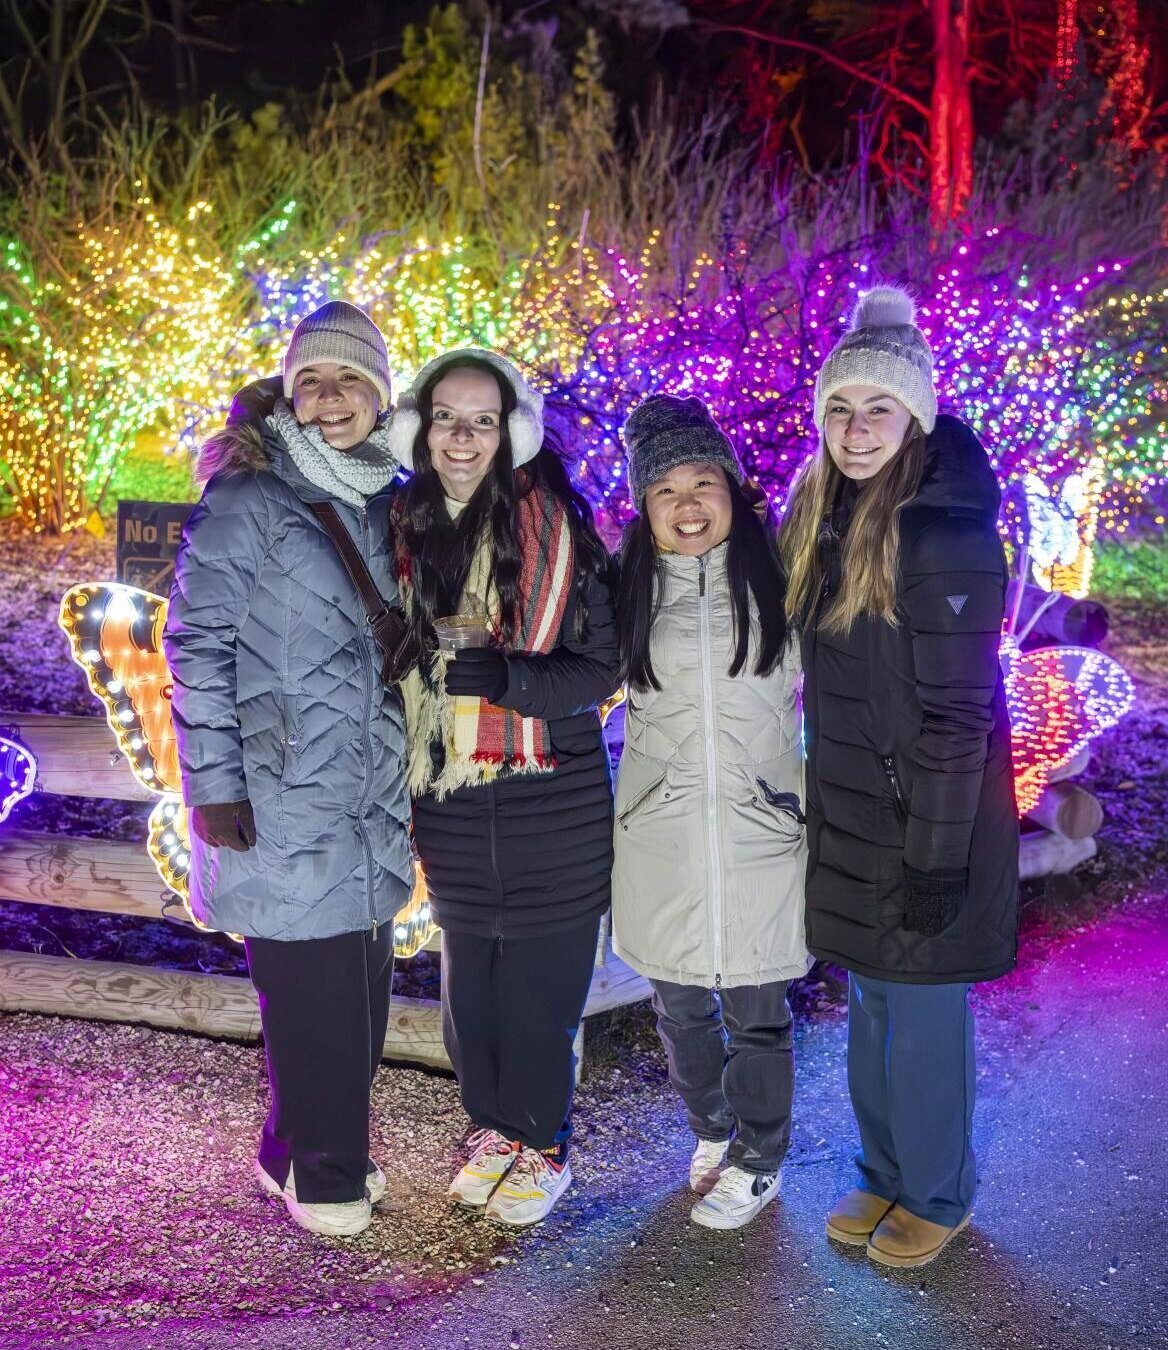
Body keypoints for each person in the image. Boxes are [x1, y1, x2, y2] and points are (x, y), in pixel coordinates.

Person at [780, 286, 1019, 1268]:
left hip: (928, 821)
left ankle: (937, 1190)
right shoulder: (829, 522)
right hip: (853, 816)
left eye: (877, 408)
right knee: (872, 1005)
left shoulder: (943, 530)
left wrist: (934, 856)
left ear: (914, 416)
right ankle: (884, 1173)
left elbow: (962, 718)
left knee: (921, 1013)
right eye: (838, 408)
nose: (855, 428)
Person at [164, 301, 412, 1239]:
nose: (330, 397)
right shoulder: (251, 500)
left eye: (351, 379)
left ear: (381, 394)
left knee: (362, 984)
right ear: (288, 394)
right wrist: (213, 783)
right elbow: (197, 643)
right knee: (313, 992)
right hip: (276, 789)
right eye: (312, 380)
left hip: (365, 791)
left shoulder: (387, 494)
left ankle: (290, 1148)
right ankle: (327, 1173)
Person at [385, 348, 618, 1227]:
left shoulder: (558, 528)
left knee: (539, 995)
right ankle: (490, 1129)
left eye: (484, 420)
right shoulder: (399, 530)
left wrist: (505, 679)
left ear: (510, 430)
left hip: (549, 796)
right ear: (420, 425)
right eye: (449, 416)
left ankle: (542, 1143)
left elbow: (600, 667)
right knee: (470, 989)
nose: (463, 436)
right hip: (445, 799)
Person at [610, 395, 810, 1230]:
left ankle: (759, 1158)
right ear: (643, 509)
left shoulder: (782, 578)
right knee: (681, 1002)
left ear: (733, 489)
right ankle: (710, 1126)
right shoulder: (622, 591)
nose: (688, 506)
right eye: (665, 491)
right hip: (662, 827)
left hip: (762, 824)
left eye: (703, 483)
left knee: (758, 1008)